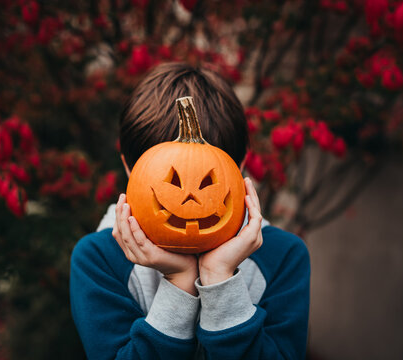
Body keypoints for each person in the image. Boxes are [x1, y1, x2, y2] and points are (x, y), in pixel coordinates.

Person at [70, 62, 310, 360]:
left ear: (240, 167)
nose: (190, 198)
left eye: (208, 179)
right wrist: (179, 282)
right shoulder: (99, 259)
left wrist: (219, 278)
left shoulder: (284, 257)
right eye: (169, 180)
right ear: (130, 169)